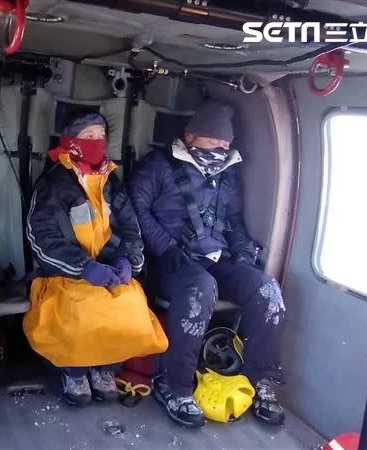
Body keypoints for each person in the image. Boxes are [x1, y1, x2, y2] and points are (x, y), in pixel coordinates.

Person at [128, 100, 286, 427]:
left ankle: (260, 382)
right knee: (201, 286)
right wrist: (167, 247)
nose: (219, 149)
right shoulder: (158, 166)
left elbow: (234, 222)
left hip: (218, 260)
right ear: (190, 136)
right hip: (170, 262)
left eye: (225, 144)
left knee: (267, 290)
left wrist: (244, 255)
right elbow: (135, 211)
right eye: (213, 141)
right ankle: (175, 387)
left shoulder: (227, 177)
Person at [23, 113, 168, 407]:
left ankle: (105, 368)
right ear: (71, 141)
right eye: (88, 136)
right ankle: (73, 371)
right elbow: (41, 237)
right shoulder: (54, 182)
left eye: (100, 136)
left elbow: (131, 230)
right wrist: (83, 267)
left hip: (109, 270)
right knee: (80, 305)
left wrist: (128, 262)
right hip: (62, 274)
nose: (96, 142)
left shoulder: (112, 182)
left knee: (130, 303)